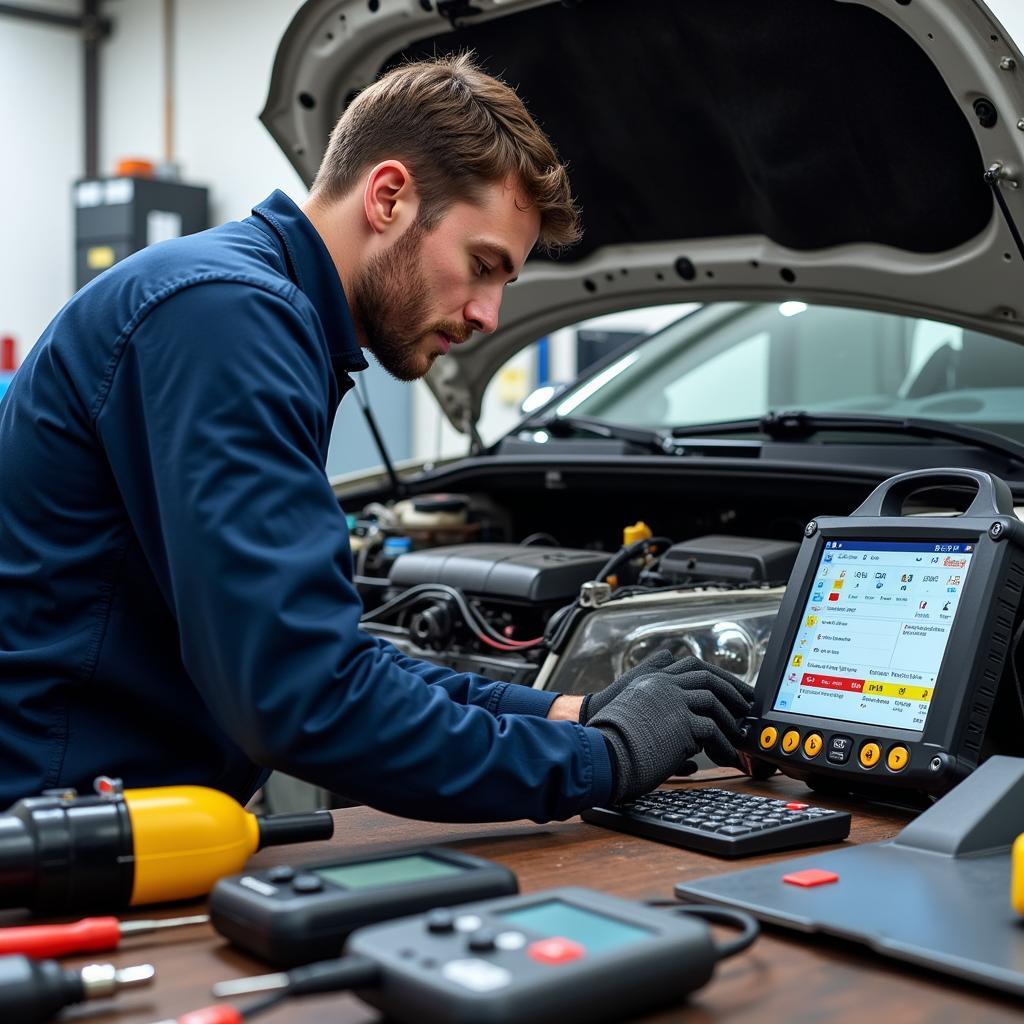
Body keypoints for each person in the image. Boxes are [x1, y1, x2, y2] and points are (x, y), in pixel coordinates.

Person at [0, 54, 755, 820]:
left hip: (122, 822)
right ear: (389, 196)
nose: (489, 315)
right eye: (482, 265)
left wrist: (568, 713)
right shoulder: (228, 320)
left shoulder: (243, 305)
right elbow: (307, 700)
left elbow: (323, 663)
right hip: (57, 855)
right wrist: (605, 758)